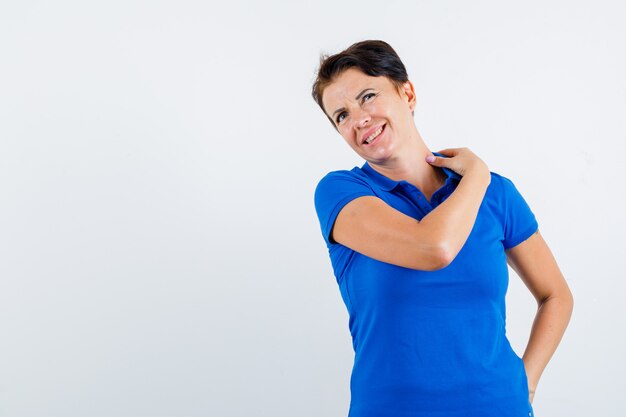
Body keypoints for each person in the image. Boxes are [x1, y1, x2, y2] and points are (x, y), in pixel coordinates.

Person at [311, 40, 573, 417]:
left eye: (367, 96)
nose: (358, 119)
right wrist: (477, 175)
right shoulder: (341, 193)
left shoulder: (496, 194)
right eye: (341, 115)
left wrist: (524, 382)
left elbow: (556, 296)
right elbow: (432, 248)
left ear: (408, 93)